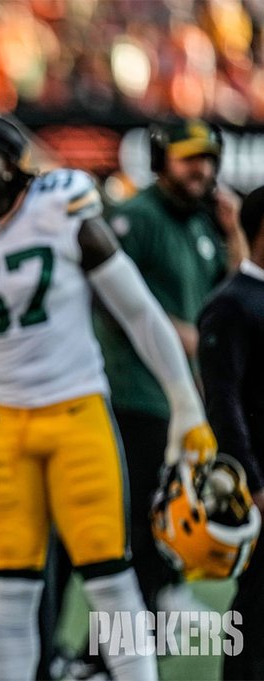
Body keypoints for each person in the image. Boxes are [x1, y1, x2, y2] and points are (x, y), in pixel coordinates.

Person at [0, 115, 217, 681]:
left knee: (112, 575)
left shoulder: (62, 212)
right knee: (9, 586)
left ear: (13, 169)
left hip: (75, 409)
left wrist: (184, 400)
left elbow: (139, 311)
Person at [93, 118, 246, 611]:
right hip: (137, 394)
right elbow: (118, 303)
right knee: (140, 524)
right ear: (161, 160)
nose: (201, 169)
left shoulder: (205, 222)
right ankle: (106, 647)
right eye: (189, 158)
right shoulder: (135, 217)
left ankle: (158, 606)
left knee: (178, 519)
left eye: (208, 158)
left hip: (184, 397)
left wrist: (235, 230)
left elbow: (238, 289)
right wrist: (196, 339)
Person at [198, 185, 264, 680]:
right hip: (261, 483)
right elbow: (223, 402)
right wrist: (253, 483)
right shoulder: (232, 304)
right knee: (257, 606)